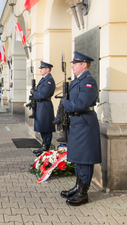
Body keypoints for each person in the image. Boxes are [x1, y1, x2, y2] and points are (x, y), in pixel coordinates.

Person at [59, 51, 101, 206]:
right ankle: (78, 187)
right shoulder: (78, 81)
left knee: (86, 159)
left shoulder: (88, 81)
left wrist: (66, 104)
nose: (72, 66)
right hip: (77, 122)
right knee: (78, 158)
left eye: (75, 63)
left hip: (85, 122)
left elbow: (82, 103)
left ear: (84, 65)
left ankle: (83, 193)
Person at [31, 61, 56, 156]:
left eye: (42, 68)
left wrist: (35, 93)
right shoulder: (44, 79)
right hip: (40, 106)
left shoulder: (49, 80)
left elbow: (44, 94)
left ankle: (47, 147)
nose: (40, 70)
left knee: (46, 127)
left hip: (45, 105)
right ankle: (44, 146)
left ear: (47, 69)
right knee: (42, 126)